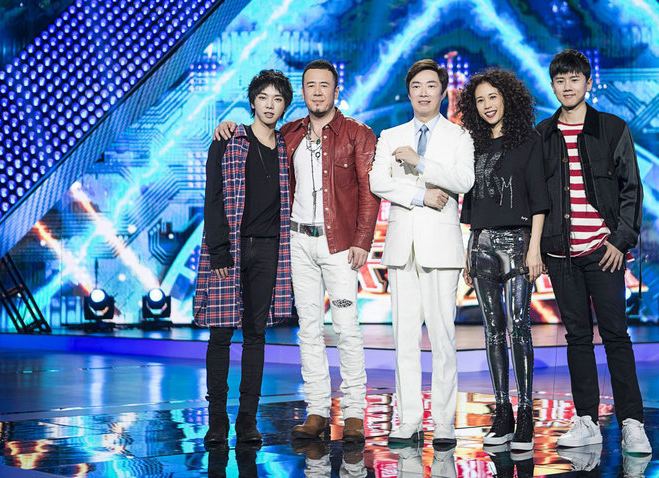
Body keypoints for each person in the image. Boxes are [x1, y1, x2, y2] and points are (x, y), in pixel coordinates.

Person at [213, 60, 380, 443]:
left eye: (324, 85)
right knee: (308, 330)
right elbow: (257, 135)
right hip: (297, 243)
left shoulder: (357, 133)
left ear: (336, 90)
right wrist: (230, 126)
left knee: (346, 328)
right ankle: (317, 410)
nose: (317, 92)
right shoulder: (289, 133)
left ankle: (354, 413)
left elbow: (369, 191)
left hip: (340, 246)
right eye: (310, 85)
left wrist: (362, 240)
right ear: (302, 93)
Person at [534, 49, 651, 453]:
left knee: (616, 336)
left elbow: (631, 189)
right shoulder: (543, 134)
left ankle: (632, 422)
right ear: (553, 86)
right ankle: (586, 420)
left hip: (604, 252)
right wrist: (540, 249)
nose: (567, 87)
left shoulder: (612, 128)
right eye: (560, 81)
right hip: (561, 256)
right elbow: (536, 197)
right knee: (577, 338)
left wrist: (620, 241)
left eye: (574, 79)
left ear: (588, 82)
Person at [368, 59, 475, 449]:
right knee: (405, 339)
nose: (424, 92)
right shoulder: (390, 135)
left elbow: (464, 180)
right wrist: (419, 195)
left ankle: (444, 422)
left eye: (431, 85)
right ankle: (409, 419)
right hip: (402, 250)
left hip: (442, 250)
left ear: (443, 92)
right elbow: (377, 181)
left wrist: (420, 163)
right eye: (417, 86)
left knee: (443, 338)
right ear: (409, 92)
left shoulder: (459, 136)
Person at [194, 69, 294, 447]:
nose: (270, 105)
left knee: (256, 335)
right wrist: (219, 249)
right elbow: (213, 197)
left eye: (277, 99)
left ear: (284, 106)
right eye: (263, 97)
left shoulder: (286, 148)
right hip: (231, 249)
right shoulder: (228, 140)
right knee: (220, 334)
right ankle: (216, 421)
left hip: (269, 250)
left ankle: (247, 420)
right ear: (252, 101)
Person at [457, 69, 549, 451]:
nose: (487, 105)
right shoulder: (473, 145)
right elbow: (470, 205)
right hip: (480, 245)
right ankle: (502, 412)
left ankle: (526, 414)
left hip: (517, 243)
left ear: (507, 98)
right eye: (480, 100)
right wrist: (468, 250)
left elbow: (540, 199)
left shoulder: (528, 140)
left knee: (519, 326)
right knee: (492, 330)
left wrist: (535, 248)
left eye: (492, 97)